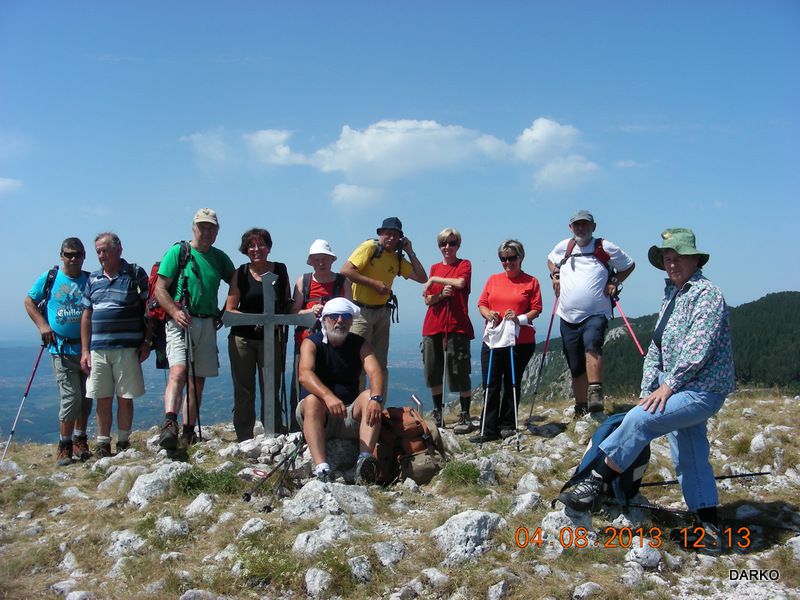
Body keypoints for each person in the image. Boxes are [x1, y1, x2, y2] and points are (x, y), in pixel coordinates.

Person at [558, 228, 735, 549]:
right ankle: (709, 526)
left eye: (678, 257)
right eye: (668, 258)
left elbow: (698, 349)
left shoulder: (706, 294)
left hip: (701, 389)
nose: (672, 263)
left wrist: (666, 387)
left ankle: (594, 483)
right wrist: (647, 388)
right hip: (681, 388)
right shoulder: (672, 294)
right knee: (690, 454)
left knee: (639, 420)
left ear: (695, 259)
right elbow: (656, 347)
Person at [155, 208, 235, 450]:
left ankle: (188, 431)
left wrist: (224, 311)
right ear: (194, 228)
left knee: (197, 380)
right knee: (178, 372)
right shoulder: (178, 252)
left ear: (217, 231)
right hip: (182, 320)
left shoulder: (220, 257)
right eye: (203, 226)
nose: (207, 231)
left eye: (211, 227)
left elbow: (236, 283)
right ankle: (170, 423)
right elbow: (160, 288)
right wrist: (174, 311)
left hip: (207, 322)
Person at [546, 210, 635, 416]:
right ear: (571, 228)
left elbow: (629, 265)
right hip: (567, 315)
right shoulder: (565, 247)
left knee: (592, 344)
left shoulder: (604, 247)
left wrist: (614, 281)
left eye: (585, 224)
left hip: (596, 312)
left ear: (593, 227)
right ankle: (581, 405)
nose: (581, 228)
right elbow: (551, 260)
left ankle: (595, 394)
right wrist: (555, 274)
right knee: (575, 362)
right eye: (577, 225)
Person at [296, 297, 383, 485]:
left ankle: (364, 461)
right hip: (319, 415)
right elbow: (304, 374)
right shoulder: (312, 343)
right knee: (312, 401)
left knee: (369, 397)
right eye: (334, 316)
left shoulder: (360, 344)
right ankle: (322, 468)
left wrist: (376, 397)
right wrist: (328, 397)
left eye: (345, 316)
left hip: (348, 412)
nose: (340, 321)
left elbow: (375, 370)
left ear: (351, 321)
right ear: (325, 319)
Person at [80, 233, 151, 457]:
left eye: (105, 250)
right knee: (102, 398)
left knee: (125, 397)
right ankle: (102, 443)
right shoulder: (92, 278)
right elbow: (86, 316)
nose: (102, 255)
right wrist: (85, 350)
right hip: (98, 349)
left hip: (127, 347)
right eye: (98, 251)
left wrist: (147, 341)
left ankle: (122, 442)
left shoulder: (135, 273)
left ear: (119, 249)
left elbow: (149, 310)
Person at [340, 217, 427, 398]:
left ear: (400, 238)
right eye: (387, 233)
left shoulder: (397, 258)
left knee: (380, 364)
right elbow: (346, 270)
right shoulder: (370, 248)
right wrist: (374, 284)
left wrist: (410, 251)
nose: (390, 238)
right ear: (380, 234)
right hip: (361, 312)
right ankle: (356, 410)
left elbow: (422, 277)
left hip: (382, 313)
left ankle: (378, 408)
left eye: (395, 235)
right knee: (359, 362)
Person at [24, 238, 92, 465]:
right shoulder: (50, 278)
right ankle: (64, 445)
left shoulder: (90, 279)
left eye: (77, 255)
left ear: (84, 256)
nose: (73, 259)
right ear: (61, 255)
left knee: (86, 398)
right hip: (61, 349)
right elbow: (29, 301)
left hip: (86, 349)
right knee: (71, 398)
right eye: (68, 254)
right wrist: (43, 325)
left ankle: (80, 440)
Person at [225, 228, 292, 441]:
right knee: (244, 390)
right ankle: (244, 437)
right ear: (246, 249)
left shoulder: (280, 270)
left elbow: (287, 303)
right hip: (242, 338)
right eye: (251, 246)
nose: (257, 249)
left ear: (269, 247)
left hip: (272, 338)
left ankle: (273, 433)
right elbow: (230, 309)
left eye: (261, 244)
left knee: (271, 387)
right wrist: (260, 320)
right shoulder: (241, 273)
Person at [472, 240, 542, 443]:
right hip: (493, 339)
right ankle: (489, 428)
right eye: (503, 258)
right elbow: (482, 304)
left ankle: (508, 425)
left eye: (511, 258)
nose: (507, 262)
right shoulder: (493, 280)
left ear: (521, 257)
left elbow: (536, 309)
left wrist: (518, 319)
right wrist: (489, 313)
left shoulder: (531, 282)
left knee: (512, 381)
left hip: (520, 340)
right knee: (490, 383)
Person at [288, 239, 351, 430]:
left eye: (324, 259)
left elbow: (349, 310)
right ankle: (299, 428)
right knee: (303, 387)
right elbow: (293, 313)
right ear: (311, 261)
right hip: (306, 343)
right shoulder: (303, 282)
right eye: (317, 259)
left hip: (335, 346)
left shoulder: (343, 282)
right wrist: (310, 311)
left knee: (333, 386)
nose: (321, 262)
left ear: (331, 260)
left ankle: (332, 426)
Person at [421, 228, 474, 432]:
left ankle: (465, 414)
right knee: (433, 370)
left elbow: (461, 282)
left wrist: (435, 280)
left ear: (457, 245)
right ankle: (438, 412)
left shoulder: (464, 264)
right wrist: (441, 295)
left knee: (459, 371)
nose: (447, 247)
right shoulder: (434, 267)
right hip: (433, 325)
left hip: (456, 325)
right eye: (443, 243)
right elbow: (428, 300)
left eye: (451, 243)